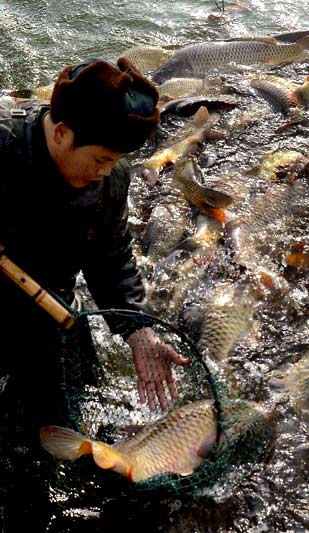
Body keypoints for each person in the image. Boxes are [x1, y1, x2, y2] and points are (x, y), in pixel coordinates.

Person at [0, 56, 189, 531]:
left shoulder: (110, 181)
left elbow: (111, 256)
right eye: (101, 159)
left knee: (61, 437)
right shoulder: (2, 145)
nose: (106, 172)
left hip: (52, 307)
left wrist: (136, 328)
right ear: (61, 133)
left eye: (115, 162)